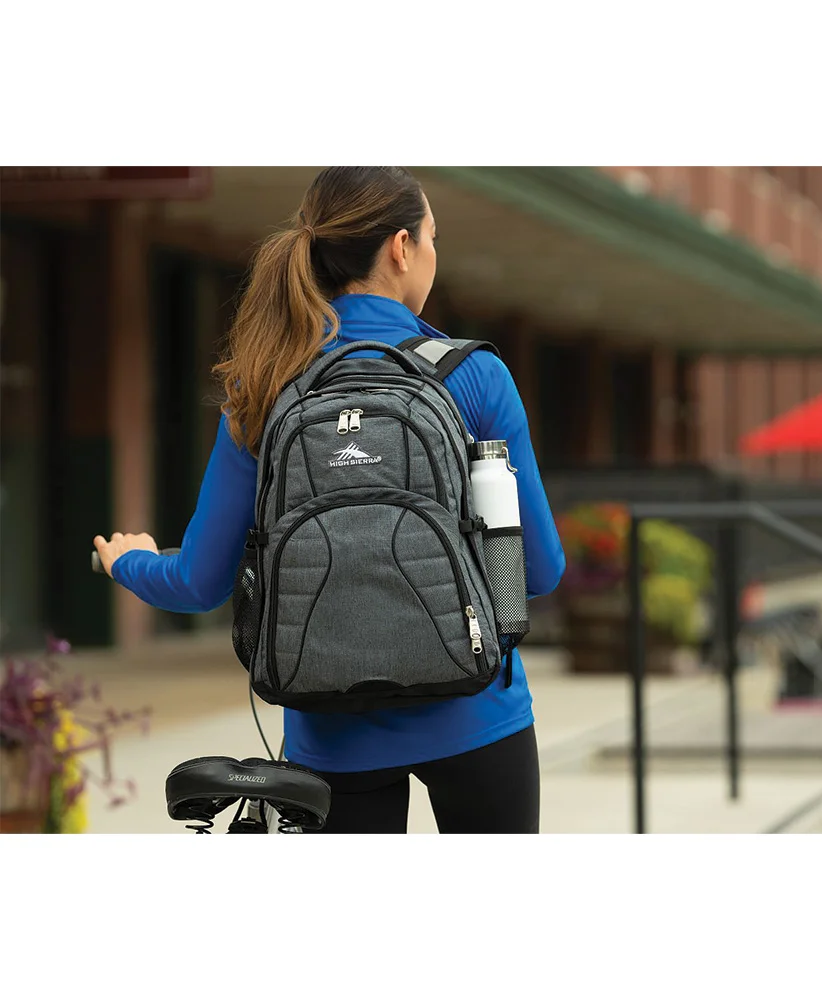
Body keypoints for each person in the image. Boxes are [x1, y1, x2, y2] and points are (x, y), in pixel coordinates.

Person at [93, 166, 566, 834]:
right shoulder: (475, 376)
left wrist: (129, 563)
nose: (433, 252)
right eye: (432, 237)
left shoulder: (265, 385)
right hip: (479, 717)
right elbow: (539, 571)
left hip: (330, 734)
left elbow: (199, 584)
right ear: (401, 248)